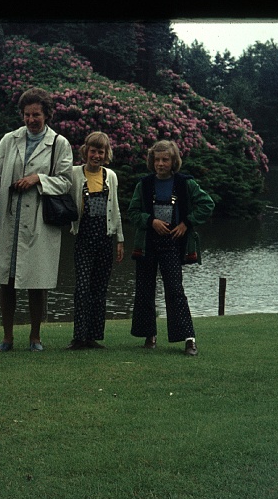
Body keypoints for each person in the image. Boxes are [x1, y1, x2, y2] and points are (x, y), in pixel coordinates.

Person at [0, 87, 73, 351]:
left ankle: (35, 337)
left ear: (47, 115)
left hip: (39, 222)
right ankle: (7, 338)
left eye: (37, 115)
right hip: (9, 218)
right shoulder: (10, 140)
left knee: (37, 281)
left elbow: (65, 182)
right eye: (27, 115)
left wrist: (37, 179)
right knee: (6, 279)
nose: (31, 120)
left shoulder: (59, 144)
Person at [127, 140, 215, 356]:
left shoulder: (186, 183)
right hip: (148, 243)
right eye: (156, 159)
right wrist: (151, 222)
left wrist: (187, 222)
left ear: (174, 161)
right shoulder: (144, 184)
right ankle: (150, 335)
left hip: (174, 245)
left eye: (165, 159)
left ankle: (189, 339)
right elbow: (133, 212)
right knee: (145, 289)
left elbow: (207, 204)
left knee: (175, 291)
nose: (160, 163)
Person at [66, 132, 124, 350]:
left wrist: (120, 239)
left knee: (99, 290)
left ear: (106, 153)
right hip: (83, 239)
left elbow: (115, 209)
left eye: (101, 151)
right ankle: (78, 337)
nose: (96, 155)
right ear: (85, 151)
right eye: (93, 150)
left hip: (105, 240)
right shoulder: (73, 174)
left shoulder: (111, 176)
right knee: (82, 288)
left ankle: (93, 337)